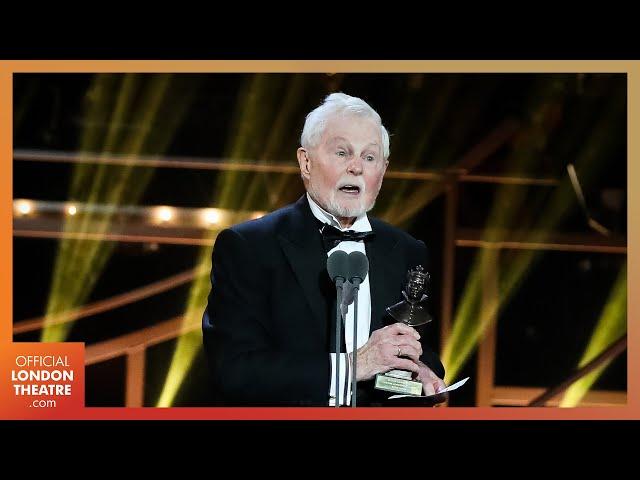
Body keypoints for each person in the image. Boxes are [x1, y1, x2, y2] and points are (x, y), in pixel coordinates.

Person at [202, 92, 445, 406]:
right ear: (306, 162)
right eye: (342, 152)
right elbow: (234, 370)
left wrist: (423, 371)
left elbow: (422, 350)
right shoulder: (249, 247)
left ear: (382, 172)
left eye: (369, 157)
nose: (356, 167)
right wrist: (354, 366)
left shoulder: (407, 250)